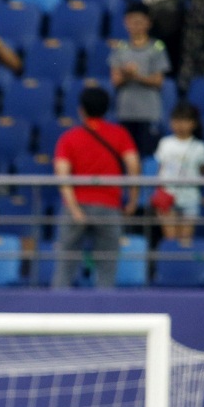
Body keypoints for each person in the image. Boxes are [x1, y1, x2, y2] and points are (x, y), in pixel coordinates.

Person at [52, 87, 140, 288]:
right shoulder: (120, 134)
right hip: (109, 207)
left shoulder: (69, 138)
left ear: (81, 110)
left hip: (76, 206)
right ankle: (105, 311)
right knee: (107, 266)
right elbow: (133, 165)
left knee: (65, 265)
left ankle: (57, 310)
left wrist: (74, 209)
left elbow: (62, 175)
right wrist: (133, 200)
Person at [108, 3, 170, 158]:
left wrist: (136, 76)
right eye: (132, 22)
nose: (136, 26)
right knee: (127, 155)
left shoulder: (156, 48)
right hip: (125, 112)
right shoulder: (120, 48)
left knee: (147, 155)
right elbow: (115, 80)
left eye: (140, 22)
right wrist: (126, 73)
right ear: (125, 22)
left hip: (148, 113)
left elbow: (158, 81)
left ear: (148, 23)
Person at [155, 102, 204, 246]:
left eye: (185, 120)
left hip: (190, 197)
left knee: (186, 242)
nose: (180, 125)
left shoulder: (200, 147)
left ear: (194, 123)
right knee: (170, 240)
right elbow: (160, 169)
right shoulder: (165, 143)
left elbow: (203, 171)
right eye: (177, 120)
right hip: (168, 196)